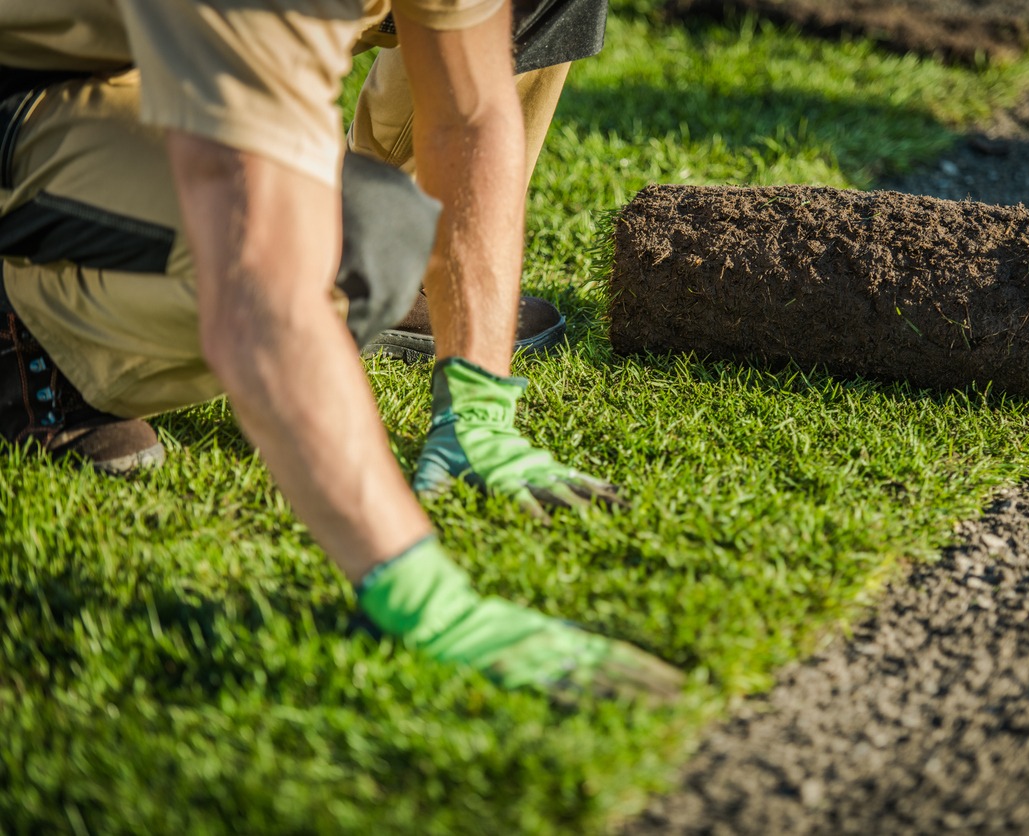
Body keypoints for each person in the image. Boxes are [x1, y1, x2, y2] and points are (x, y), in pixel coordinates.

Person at [0, 0, 683, 702]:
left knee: (357, 233)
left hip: (159, 51)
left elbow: (469, 114)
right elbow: (263, 279)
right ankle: (28, 331)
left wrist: (477, 408)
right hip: (38, 86)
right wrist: (418, 593)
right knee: (356, 238)